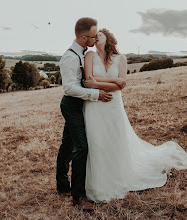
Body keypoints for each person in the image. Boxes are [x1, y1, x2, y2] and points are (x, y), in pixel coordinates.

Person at [83, 28, 187, 203]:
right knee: (97, 141)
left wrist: (102, 82)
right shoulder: (89, 56)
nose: (96, 38)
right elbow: (89, 81)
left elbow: (120, 86)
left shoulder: (121, 59)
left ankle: (118, 174)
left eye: (99, 35)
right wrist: (112, 81)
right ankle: (99, 182)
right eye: (94, 36)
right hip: (94, 105)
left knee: (116, 139)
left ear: (108, 38)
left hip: (113, 105)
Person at [56, 18, 122, 211]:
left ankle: (62, 185)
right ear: (84, 38)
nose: (95, 39)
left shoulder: (84, 53)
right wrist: (96, 94)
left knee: (67, 144)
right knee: (82, 148)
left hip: (81, 103)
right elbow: (69, 88)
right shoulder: (69, 57)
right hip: (72, 105)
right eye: (93, 37)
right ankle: (79, 197)